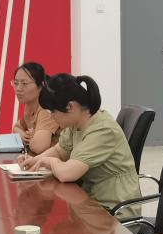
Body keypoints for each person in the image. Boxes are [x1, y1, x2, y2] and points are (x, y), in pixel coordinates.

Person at [19, 74, 140, 211]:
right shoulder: (76, 124)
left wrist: (50, 162)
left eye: (53, 111)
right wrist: (35, 161)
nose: (51, 117)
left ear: (70, 106)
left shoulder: (102, 130)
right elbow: (59, 151)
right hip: (90, 201)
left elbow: (67, 174)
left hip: (113, 210)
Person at [10, 61, 58, 153]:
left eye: (24, 83)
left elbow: (39, 147)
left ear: (40, 86)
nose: (18, 89)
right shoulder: (29, 107)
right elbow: (16, 128)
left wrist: (32, 138)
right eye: (15, 83)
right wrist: (24, 136)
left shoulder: (47, 110)